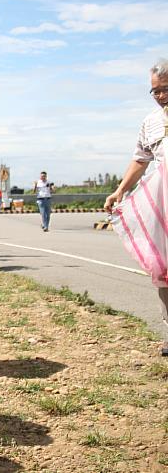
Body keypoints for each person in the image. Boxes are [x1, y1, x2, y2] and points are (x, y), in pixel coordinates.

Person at [104, 59, 168, 357]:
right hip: (162, 202)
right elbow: (140, 160)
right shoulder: (150, 122)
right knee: (162, 268)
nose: (160, 96)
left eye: (165, 90)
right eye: (155, 91)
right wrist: (119, 191)